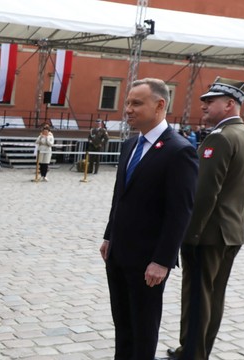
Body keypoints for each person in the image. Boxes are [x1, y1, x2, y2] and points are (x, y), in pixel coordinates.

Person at [100, 78, 198, 360]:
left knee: (143, 327)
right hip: (119, 253)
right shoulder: (130, 145)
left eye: (136, 103)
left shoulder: (179, 151)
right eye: (127, 102)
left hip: (148, 261)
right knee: (123, 323)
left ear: (159, 105)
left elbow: (180, 212)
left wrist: (163, 260)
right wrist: (109, 236)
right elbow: (120, 197)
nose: (128, 109)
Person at [163, 77, 244, 360]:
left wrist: (189, 235)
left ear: (230, 104)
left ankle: (191, 353)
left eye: (211, 101)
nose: (203, 105)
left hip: (207, 234)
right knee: (213, 296)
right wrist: (239, 224)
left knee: (196, 297)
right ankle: (199, 350)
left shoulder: (220, 138)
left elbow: (204, 194)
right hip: (231, 231)